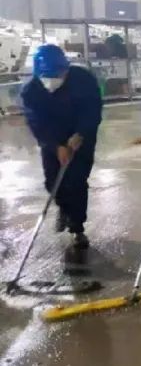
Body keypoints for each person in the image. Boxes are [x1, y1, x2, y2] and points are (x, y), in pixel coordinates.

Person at [20, 44, 103, 249]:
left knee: (76, 181)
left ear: (66, 70)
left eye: (57, 75)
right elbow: (37, 123)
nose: (52, 80)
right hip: (52, 139)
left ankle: (77, 228)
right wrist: (55, 146)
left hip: (80, 138)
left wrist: (81, 133)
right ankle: (64, 209)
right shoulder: (31, 91)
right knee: (52, 182)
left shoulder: (83, 80)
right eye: (46, 76)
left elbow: (93, 110)